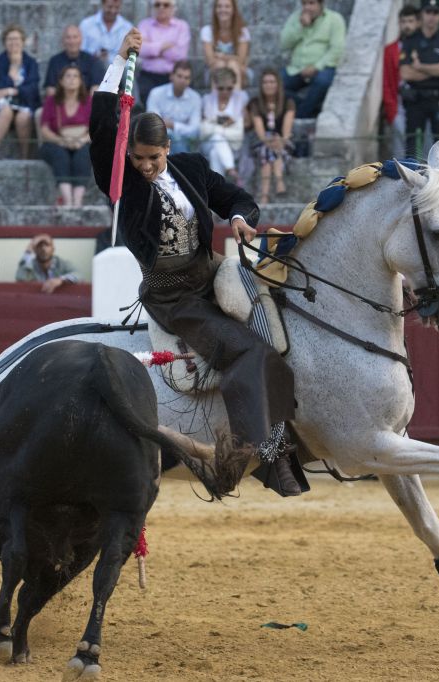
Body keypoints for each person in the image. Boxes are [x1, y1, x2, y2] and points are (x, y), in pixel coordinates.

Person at [90, 29, 302, 496]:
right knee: (244, 350)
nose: (144, 165)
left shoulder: (191, 166)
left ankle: (290, 437)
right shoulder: (124, 181)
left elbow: (236, 198)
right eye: (137, 157)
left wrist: (243, 219)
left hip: (213, 274)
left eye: (152, 157)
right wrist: (118, 61)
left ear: (167, 148)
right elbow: (104, 128)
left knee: (282, 326)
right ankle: (263, 455)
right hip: (174, 296)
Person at [399, 0, 439, 165]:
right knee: (412, 148)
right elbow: (406, 73)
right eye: (428, 12)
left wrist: (420, 66)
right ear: (421, 15)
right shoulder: (410, 41)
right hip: (416, 101)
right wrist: (436, 69)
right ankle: (410, 188)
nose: (431, 17)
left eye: (435, 13)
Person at [280, 0, 347, 119]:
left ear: (321, 4)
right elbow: (283, 44)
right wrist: (300, 27)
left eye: (311, 3)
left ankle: (301, 115)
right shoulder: (295, 18)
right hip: (297, 69)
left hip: (323, 68)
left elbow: (337, 49)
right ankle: (312, 109)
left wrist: (316, 66)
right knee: (275, 85)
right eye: (304, 4)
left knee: (323, 82)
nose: (307, 8)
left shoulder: (334, 19)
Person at [40, 66, 93, 207]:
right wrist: (61, 141)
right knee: (60, 155)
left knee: (84, 154)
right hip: (56, 142)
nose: (72, 79)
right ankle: (67, 200)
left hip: (82, 141)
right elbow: (44, 129)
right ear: (61, 81)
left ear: (81, 81)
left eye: (75, 76)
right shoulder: (52, 101)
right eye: (68, 76)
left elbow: (95, 129)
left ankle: (77, 201)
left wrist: (81, 140)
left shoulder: (88, 101)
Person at [0, 24, 40, 160]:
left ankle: (24, 156)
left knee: (24, 116)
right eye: (9, 39)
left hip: (25, 103)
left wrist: (11, 90)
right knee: (5, 111)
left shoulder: (31, 62)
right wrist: (12, 70)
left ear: (23, 42)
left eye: (16, 39)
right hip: (4, 105)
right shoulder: (0, 61)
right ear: (4, 43)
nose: (13, 42)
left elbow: (32, 88)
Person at [248, 68, 295, 205]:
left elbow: (286, 132)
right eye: (265, 82)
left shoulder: (288, 102)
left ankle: (264, 195)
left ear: (278, 84)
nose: (269, 85)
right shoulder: (256, 103)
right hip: (262, 142)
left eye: (272, 82)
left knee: (268, 153)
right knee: (266, 149)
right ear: (261, 85)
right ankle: (279, 182)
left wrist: (280, 141)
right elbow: (260, 133)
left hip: (283, 142)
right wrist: (269, 141)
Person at [136, 0, 190, 106]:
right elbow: (141, 49)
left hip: (173, 77)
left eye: (166, 5)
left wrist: (152, 47)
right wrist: (165, 46)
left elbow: (180, 54)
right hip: (148, 77)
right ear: (153, 7)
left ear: (173, 8)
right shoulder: (144, 24)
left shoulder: (182, 26)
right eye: (157, 4)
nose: (161, 7)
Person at [199, 68, 249, 182]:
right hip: (210, 141)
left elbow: (247, 123)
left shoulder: (241, 98)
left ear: (234, 85)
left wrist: (217, 124)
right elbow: (205, 127)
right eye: (221, 88)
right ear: (215, 85)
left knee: (215, 152)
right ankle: (231, 168)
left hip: (233, 143)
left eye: (229, 88)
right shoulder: (207, 100)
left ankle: (217, 189)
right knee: (217, 139)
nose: (225, 92)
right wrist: (229, 123)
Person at [145, 60, 201, 155]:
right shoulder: (156, 93)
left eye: (186, 78)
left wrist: (173, 125)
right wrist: (180, 129)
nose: (182, 80)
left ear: (190, 80)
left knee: (178, 141)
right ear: (171, 76)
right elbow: (154, 125)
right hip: (159, 140)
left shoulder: (195, 98)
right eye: (179, 76)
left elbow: (194, 130)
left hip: (185, 142)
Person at [387, 5, 421, 162]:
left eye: (411, 21)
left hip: (422, 104)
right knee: (400, 154)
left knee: (425, 151)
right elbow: (387, 82)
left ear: (418, 23)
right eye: (403, 21)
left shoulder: (424, 46)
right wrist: (392, 112)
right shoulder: (391, 49)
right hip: (399, 106)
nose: (407, 25)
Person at [43, 25, 105, 100]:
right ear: (63, 40)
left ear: (81, 39)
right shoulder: (54, 61)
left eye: (75, 37)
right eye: (68, 37)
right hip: (61, 104)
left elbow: (96, 88)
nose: (72, 41)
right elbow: (50, 89)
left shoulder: (93, 61)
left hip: (86, 105)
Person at [200, 0, 251, 88]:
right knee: (219, 65)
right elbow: (210, 61)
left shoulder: (242, 31)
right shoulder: (207, 31)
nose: (223, 10)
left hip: (239, 70)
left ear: (233, 10)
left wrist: (221, 56)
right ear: (215, 10)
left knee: (233, 65)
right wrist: (231, 58)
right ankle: (216, 100)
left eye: (227, 6)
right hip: (214, 70)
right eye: (219, 6)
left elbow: (241, 60)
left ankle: (236, 100)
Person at [15, 233, 80, 293]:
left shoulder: (62, 263)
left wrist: (60, 280)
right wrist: (28, 253)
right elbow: (20, 278)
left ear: (53, 249)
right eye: (39, 245)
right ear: (34, 249)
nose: (43, 248)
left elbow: (79, 274)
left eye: (47, 245)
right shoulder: (30, 265)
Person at [79, 0, 134, 65]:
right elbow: (80, 52)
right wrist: (95, 57)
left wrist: (109, 59)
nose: (113, 11)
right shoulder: (86, 24)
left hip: (117, 70)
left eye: (117, 7)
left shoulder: (127, 28)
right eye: (109, 7)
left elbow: (129, 58)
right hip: (90, 68)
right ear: (102, 4)